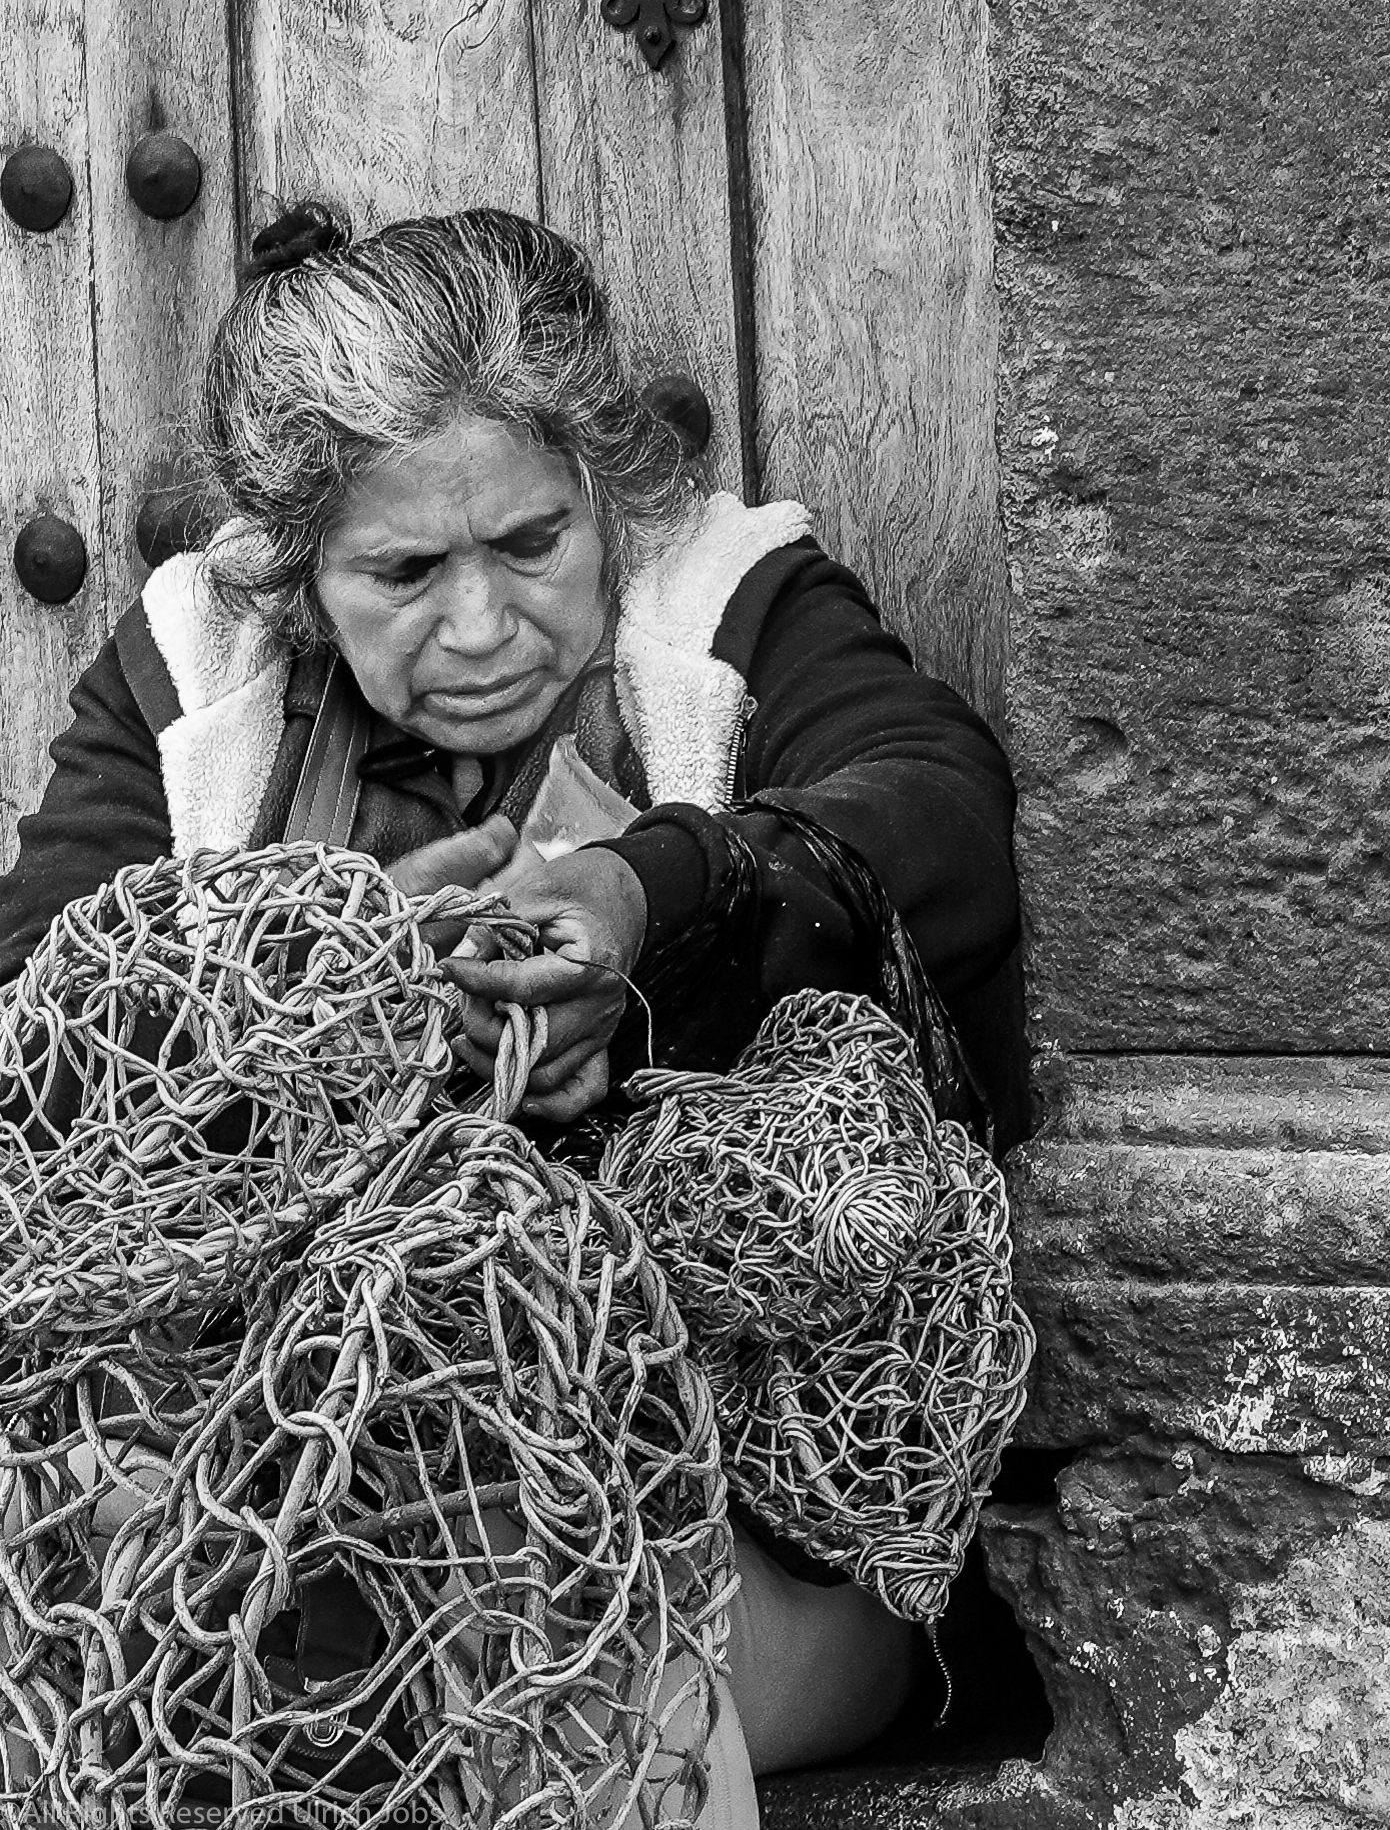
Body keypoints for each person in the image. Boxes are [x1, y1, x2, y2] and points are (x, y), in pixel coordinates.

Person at [0, 204, 1023, 1819]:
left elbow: (936, 811)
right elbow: (45, 995)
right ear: (291, 568)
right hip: (275, 1512)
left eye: (532, 546)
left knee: (511, 1650)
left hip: (704, 1522)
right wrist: (307, 974)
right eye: (402, 571)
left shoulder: (722, 602)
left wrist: (654, 897)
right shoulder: (203, 667)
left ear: (603, 494)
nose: (479, 628)